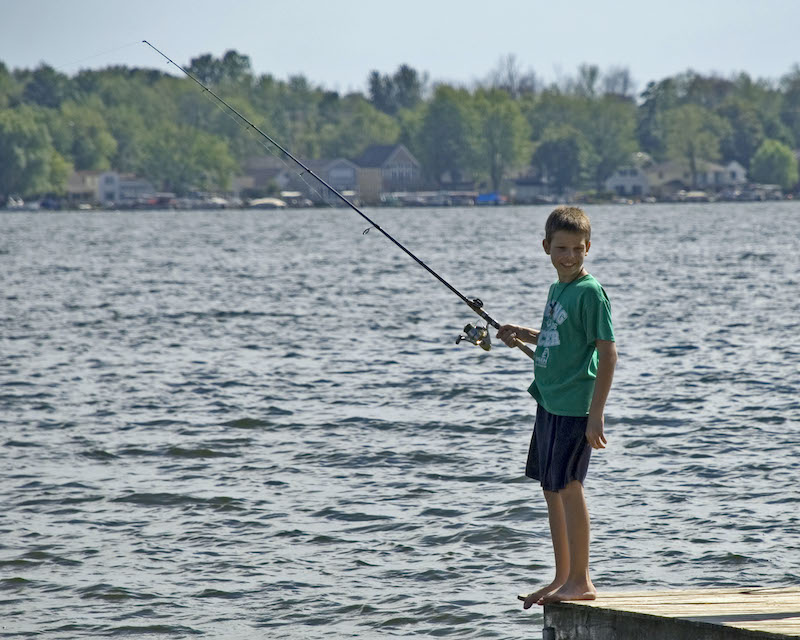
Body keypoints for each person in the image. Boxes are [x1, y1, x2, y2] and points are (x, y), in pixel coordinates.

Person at [496, 206, 617, 609]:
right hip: (548, 400)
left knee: (569, 487)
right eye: (561, 248)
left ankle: (581, 579)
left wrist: (596, 413)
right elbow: (557, 335)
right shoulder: (557, 289)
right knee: (551, 489)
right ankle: (562, 576)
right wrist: (522, 333)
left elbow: (607, 351)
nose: (568, 256)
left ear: (588, 248)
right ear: (546, 247)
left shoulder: (590, 292)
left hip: (574, 407)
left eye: (576, 249)